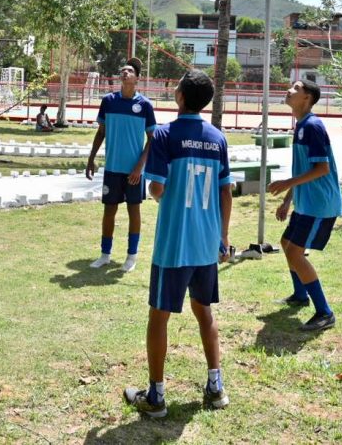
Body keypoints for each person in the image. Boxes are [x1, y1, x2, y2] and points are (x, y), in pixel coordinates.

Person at [123, 69, 232, 418]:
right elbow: (225, 190)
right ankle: (215, 387)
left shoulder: (165, 135)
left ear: (180, 97)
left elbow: (156, 188)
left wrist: (164, 196)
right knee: (204, 311)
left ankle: (155, 396)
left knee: (159, 315)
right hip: (205, 245)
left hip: (174, 245)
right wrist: (223, 237)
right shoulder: (218, 138)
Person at [267, 79, 342, 334]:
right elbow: (304, 168)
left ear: (307, 98)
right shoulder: (301, 125)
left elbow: (322, 168)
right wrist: (288, 199)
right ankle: (300, 296)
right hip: (305, 202)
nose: (289, 90)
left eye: (296, 89)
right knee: (287, 245)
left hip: (320, 205)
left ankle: (325, 312)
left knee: (296, 253)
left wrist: (288, 183)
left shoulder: (313, 126)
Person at [85, 57, 156, 272]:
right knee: (109, 212)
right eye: (123, 70)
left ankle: (131, 257)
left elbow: (152, 139)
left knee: (134, 212)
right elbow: (101, 132)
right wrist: (91, 159)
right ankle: (105, 255)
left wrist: (139, 167)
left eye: (130, 71)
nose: (125, 73)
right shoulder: (108, 101)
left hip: (134, 171)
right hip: (112, 168)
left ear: (137, 78)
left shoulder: (144, 105)